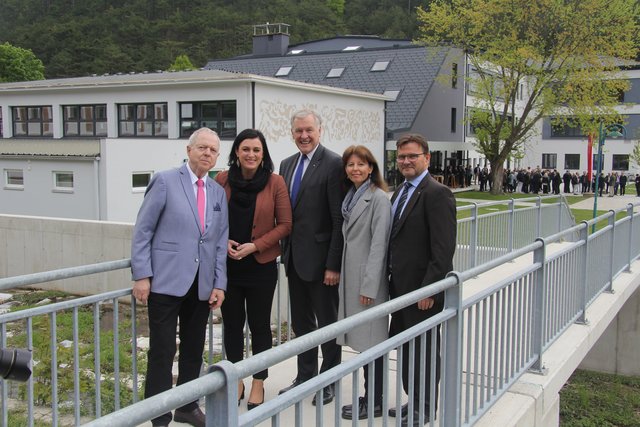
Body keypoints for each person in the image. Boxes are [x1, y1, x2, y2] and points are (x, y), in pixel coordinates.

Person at [131, 128, 228, 427]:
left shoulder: (217, 192)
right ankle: (158, 413)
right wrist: (142, 275)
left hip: (200, 284)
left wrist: (219, 283)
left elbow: (220, 240)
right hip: (165, 280)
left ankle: (188, 406)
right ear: (189, 150)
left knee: (193, 348)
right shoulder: (165, 180)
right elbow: (143, 230)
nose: (207, 154)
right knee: (162, 349)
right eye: (202, 148)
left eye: (213, 150)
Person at [215, 129, 292, 410]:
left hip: (260, 266)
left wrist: (255, 246)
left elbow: (285, 224)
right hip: (228, 266)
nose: (251, 154)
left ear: (263, 154)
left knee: (260, 326)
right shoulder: (222, 180)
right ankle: (236, 379)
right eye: (245, 149)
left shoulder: (275, 182)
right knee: (232, 325)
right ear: (236, 151)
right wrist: (222, 242)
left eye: (256, 150)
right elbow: (211, 219)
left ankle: (259, 380)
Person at [387, 133, 456, 426]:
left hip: (422, 292)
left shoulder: (436, 193)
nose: (406, 161)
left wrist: (429, 290)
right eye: (402, 157)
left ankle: (425, 410)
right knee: (405, 348)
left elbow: (443, 249)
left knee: (425, 353)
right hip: (399, 290)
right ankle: (412, 401)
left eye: (412, 156)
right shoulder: (399, 192)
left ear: (426, 158)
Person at [278, 109, 344, 406]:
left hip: (322, 264)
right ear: (292, 133)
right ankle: (305, 375)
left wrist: (333, 264)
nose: (303, 136)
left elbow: (337, 219)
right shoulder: (286, 164)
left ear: (320, 130)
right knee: (301, 325)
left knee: (328, 323)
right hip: (293, 260)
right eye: (298, 131)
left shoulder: (334, 164)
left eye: (308, 130)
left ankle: (328, 379)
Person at [337, 145, 391, 420]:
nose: (355, 169)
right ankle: (371, 397)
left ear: (371, 168)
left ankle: (375, 401)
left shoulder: (378, 198)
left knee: (374, 343)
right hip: (353, 280)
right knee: (366, 344)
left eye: (361, 164)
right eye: (350, 165)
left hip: (368, 285)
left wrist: (369, 287)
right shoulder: (351, 197)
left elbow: (379, 245)